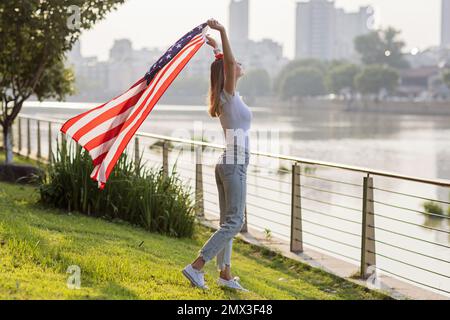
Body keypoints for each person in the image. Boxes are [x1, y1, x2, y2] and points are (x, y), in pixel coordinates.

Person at [181, 18, 252, 291]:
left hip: (228, 161)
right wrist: (222, 32)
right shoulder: (229, 94)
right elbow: (230, 64)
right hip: (234, 161)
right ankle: (197, 266)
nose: (239, 65)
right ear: (230, 73)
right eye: (236, 65)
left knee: (227, 223)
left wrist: (215, 49)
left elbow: (225, 64)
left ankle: (225, 274)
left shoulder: (226, 97)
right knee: (235, 222)